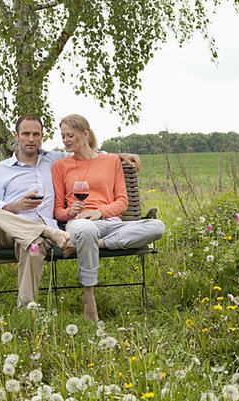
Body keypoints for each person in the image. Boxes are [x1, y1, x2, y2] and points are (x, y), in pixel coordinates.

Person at [0, 114, 143, 308]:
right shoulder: (0, 170)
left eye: (36, 134)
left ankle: (27, 309)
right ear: (16, 136)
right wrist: (15, 206)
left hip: (36, 236)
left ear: (42, 135)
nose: (31, 139)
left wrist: (119, 156)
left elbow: (87, 153)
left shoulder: (54, 160)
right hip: (5, 231)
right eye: (26, 134)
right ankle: (45, 232)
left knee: (33, 244)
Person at [52, 114, 165, 322]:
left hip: (112, 223)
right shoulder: (60, 166)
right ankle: (89, 300)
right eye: (63, 136)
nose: (66, 140)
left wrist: (101, 212)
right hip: (80, 224)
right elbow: (58, 211)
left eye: (70, 135)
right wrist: (70, 212)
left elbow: (123, 202)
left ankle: (92, 244)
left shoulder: (111, 161)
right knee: (85, 231)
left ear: (85, 134)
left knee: (157, 226)